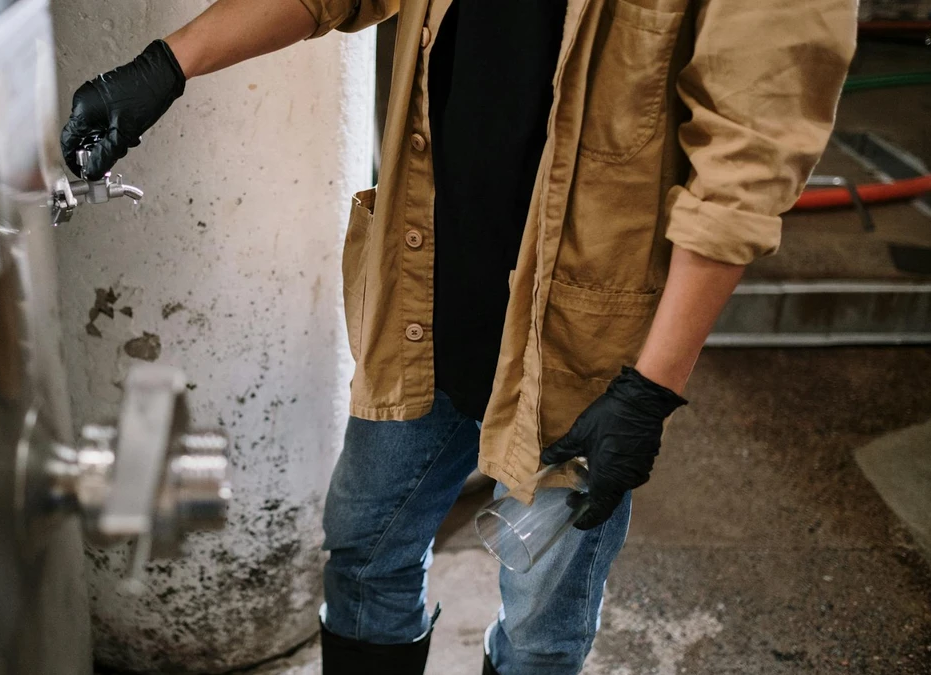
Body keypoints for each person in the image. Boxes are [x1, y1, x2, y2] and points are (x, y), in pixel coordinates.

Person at [59, 1, 855, 673]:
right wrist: (168, 65)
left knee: (541, 628)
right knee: (365, 554)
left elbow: (746, 158)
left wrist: (651, 387)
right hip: (427, 297)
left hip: (579, 344)